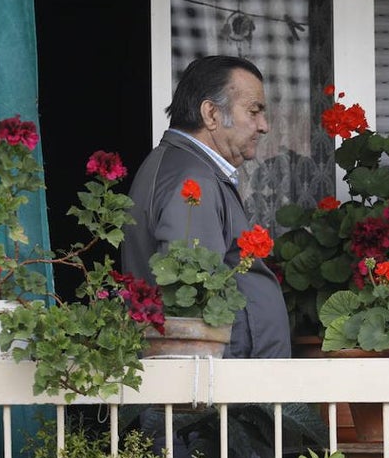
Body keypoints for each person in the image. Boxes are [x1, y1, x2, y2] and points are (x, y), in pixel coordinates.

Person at [122, 55, 291, 358]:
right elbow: (195, 303)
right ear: (211, 114)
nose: (264, 126)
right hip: (220, 394)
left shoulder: (189, 168)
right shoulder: (192, 178)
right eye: (254, 111)